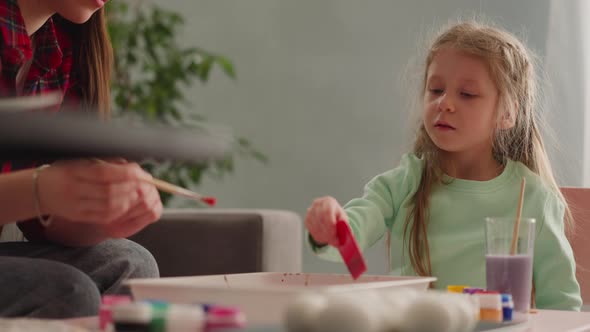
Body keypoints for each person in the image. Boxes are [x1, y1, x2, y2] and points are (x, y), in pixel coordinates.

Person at [305, 21, 582, 311]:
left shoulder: (534, 197)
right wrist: (332, 228)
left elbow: (561, 306)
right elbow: (349, 245)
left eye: (467, 94)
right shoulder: (403, 184)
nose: (445, 103)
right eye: (435, 89)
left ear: (508, 113)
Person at [0, 0, 163, 318]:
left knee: (131, 264)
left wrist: (96, 215)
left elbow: (39, 222)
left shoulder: (58, 48)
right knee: (67, 290)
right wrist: (42, 189)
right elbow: (36, 191)